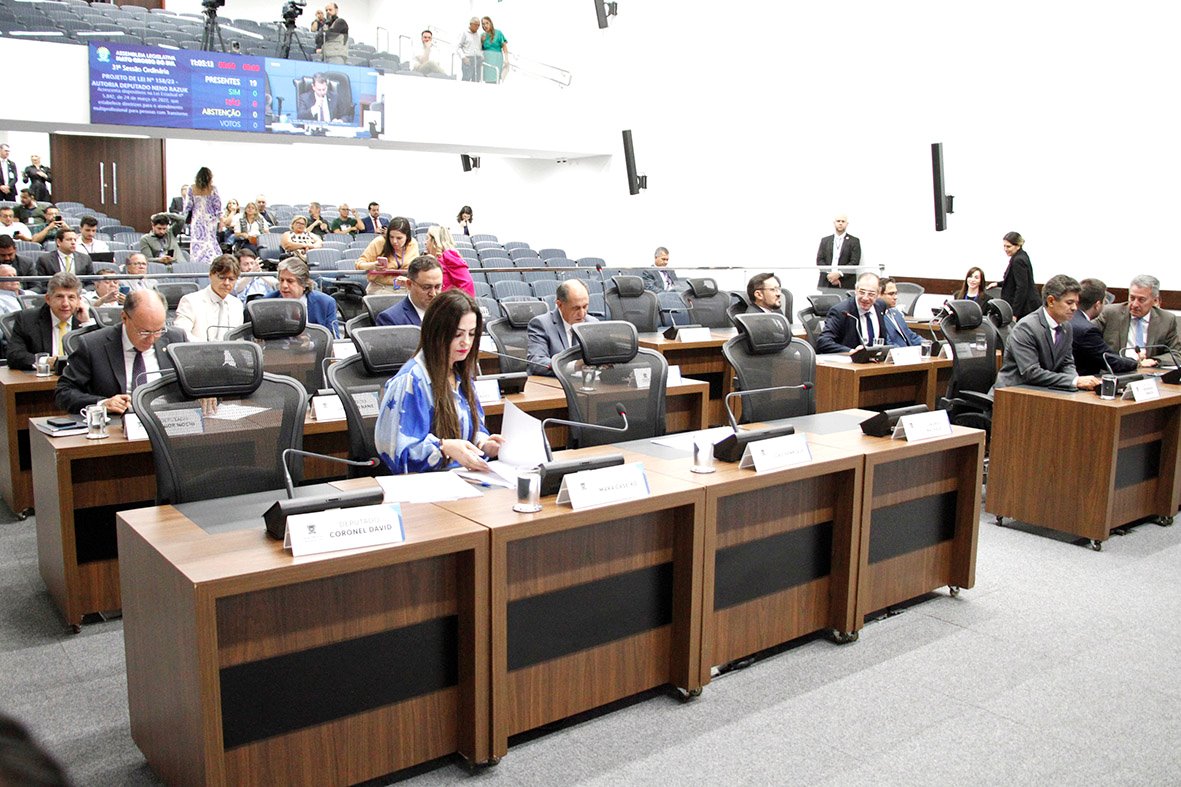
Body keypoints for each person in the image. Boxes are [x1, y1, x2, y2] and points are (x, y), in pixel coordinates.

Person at [375, 289, 504, 473]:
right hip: (426, 484)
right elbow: (398, 452)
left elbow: (471, 429)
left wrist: (483, 444)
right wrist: (443, 447)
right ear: (436, 333)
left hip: (462, 477)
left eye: (472, 334)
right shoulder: (411, 380)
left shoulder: (461, 374)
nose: (466, 342)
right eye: (458, 334)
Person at [55, 289, 186, 414]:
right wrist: (103, 404)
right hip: (117, 423)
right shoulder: (93, 345)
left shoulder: (176, 339)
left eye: (158, 331)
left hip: (169, 419)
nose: (152, 339)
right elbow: (64, 392)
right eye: (144, 332)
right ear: (124, 318)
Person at [995, 274, 1100, 391]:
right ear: (1051, 301)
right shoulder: (1026, 328)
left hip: (1044, 391)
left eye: (1076, 303)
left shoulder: (1066, 327)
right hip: (1012, 393)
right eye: (1069, 302)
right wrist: (1074, 381)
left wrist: (1074, 381)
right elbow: (1031, 373)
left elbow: (1067, 363)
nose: (1074, 308)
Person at [6, 272, 93, 370]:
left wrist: (86, 323)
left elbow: (99, 356)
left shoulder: (87, 318)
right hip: (43, 378)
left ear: (79, 300)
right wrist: (46, 362)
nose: (65, 303)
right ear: (48, 299)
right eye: (59, 297)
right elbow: (14, 356)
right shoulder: (27, 319)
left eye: (71, 297)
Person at [1095, 274, 1181, 366]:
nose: (1135, 304)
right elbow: (1088, 337)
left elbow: (1176, 354)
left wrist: (1154, 361)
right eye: (1132, 298)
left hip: (1148, 370)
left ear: (1155, 300)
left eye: (1141, 300)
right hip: (1117, 369)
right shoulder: (1110, 313)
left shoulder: (1167, 320)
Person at [526, 278, 597, 375]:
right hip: (554, 382)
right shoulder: (541, 324)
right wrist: (574, 366)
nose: (582, 314)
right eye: (576, 308)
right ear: (559, 304)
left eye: (585, 306)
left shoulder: (592, 323)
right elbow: (536, 363)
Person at [1071, 278, 1138, 377]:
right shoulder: (1087, 330)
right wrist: (1136, 362)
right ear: (1097, 305)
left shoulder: (1068, 318)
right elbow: (1109, 360)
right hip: (1082, 381)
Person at [173, 255, 243, 341]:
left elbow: (238, 339)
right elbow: (182, 334)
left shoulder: (237, 305)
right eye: (222, 277)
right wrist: (207, 347)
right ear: (210, 275)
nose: (226, 283)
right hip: (198, 348)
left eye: (231, 279)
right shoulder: (190, 301)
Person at [262, 256, 339, 335]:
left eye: (290, 281)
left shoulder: (326, 303)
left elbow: (333, 337)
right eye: (281, 280)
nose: (284, 285)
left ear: (304, 284)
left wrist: (311, 340)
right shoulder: (268, 302)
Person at [815, 272, 887, 354]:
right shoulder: (841, 311)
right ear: (856, 290)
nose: (865, 298)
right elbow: (823, 342)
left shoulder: (880, 306)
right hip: (850, 360)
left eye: (871, 294)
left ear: (878, 294)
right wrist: (851, 352)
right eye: (862, 292)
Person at [356, 217, 418, 295]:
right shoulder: (379, 242)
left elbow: (415, 269)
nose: (394, 241)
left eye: (399, 238)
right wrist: (373, 265)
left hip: (405, 288)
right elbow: (359, 264)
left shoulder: (412, 244)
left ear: (407, 237)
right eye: (391, 237)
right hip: (381, 288)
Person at [376, 255, 442, 326]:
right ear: (409, 284)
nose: (433, 293)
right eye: (426, 287)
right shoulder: (390, 319)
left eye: (437, 287)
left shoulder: (447, 312)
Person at [184, 167, 222, 265]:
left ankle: (197, 263)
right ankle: (212, 260)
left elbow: (188, 206)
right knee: (210, 240)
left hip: (197, 220)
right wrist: (221, 221)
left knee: (197, 241)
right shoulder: (213, 189)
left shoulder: (191, 188)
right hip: (210, 220)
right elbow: (217, 206)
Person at [997, 231, 1038, 319]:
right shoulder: (1022, 255)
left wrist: (1015, 313)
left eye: (1008, 246)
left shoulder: (1018, 260)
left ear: (1018, 246)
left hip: (1024, 308)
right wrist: (997, 284)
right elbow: (1013, 280)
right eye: (1004, 246)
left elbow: (1022, 288)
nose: (1005, 249)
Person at [425, 225, 474, 296]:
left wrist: (458, 302)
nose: (425, 242)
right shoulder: (436, 258)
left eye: (427, 238)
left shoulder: (449, 256)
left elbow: (466, 283)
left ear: (435, 241)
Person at [815, 214, 861, 289]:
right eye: (838, 221)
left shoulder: (854, 241)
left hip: (845, 282)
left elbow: (854, 262)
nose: (840, 223)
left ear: (847, 224)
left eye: (843, 221)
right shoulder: (825, 240)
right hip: (826, 281)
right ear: (834, 223)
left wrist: (839, 274)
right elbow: (820, 260)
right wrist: (830, 275)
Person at [878, 277, 923, 347]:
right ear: (879, 295)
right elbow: (888, 344)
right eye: (891, 294)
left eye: (896, 293)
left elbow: (911, 337)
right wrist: (907, 351)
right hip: (898, 352)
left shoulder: (896, 313)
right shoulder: (878, 317)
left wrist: (929, 343)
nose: (895, 297)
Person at [481, 16, 509, 83]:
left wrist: (506, 59)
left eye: (487, 23)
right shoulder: (482, 35)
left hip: (496, 59)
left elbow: (504, 47)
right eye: (483, 24)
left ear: (491, 23)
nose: (485, 25)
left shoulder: (498, 33)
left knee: (496, 77)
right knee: (487, 80)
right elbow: (481, 49)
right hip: (487, 60)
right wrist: (482, 41)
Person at [457, 18, 483, 83]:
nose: (477, 27)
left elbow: (480, 48)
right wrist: (463, 57)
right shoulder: (464, 33)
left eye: (478, 25)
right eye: (476, 25)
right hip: (468, 59)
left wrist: (481, 56)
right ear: (471, 24)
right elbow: (458, 47)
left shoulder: (479, 35)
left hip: (478, 60)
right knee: (466, 79)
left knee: (476, 80)